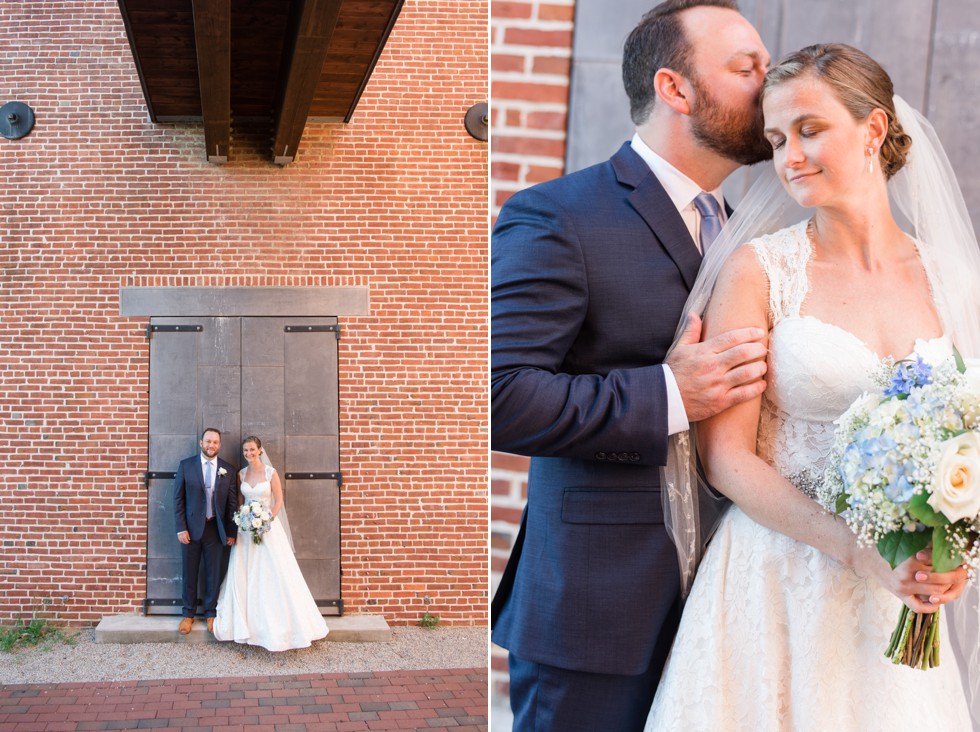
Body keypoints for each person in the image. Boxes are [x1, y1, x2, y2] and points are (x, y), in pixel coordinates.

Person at [644, 43, 977, 729]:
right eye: (775, 138)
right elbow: (727, 459)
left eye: (809, 129)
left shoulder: (951, 277)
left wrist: (953, 557)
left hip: (899, 594)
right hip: (776, 579)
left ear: (874, 130)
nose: (788, 155)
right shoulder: (759, 271)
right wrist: (855, 549)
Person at [490, 1, 775, 728]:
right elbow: (499, 396)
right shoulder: (558, 216)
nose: (770, 87)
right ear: (675, 89)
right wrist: (668, 393)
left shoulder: (747, 232)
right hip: (597, 616)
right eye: (747, 69)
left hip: (723, 607)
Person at [213, 436, 329, 651]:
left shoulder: (270, 473)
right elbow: (240, 502)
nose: (248, 454)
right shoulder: (241, 474)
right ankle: (246, 621)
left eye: (252, 450)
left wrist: (266, 520)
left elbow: (278, 501)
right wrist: (243, 519)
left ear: (259, 450)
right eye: (245, 451)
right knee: (245, 571)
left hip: (268, 527)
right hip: (246, 529)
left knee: (273, 571)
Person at [173, 427, 239, 635]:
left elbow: (232, 504)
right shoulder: (186, 466)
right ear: (201, 443)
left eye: (215, 442)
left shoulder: (228, 469)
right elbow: (178, 499)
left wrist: (231, 531)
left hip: (215, 529)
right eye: (208, 441)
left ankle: (211, 614)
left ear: (219, 445)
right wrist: (181, 528)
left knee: (214, 573)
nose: (211, 445)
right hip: (190, 530)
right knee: (189, 572)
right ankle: (188, 614)